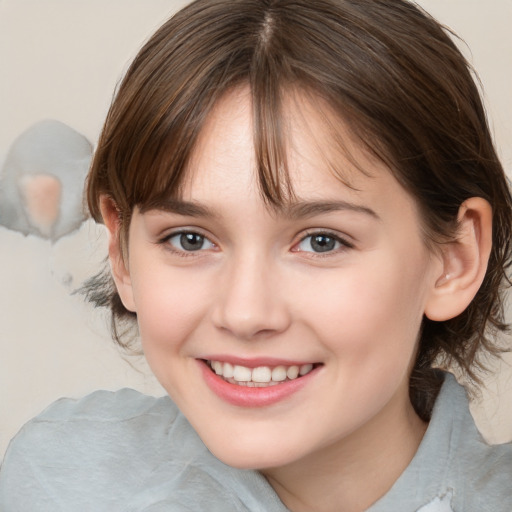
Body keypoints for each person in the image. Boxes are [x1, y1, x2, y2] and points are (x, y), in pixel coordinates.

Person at [1, 0, 511, 510]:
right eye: (190, 239)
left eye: (321, 241)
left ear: (453, 259)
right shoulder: (57, 482)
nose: (245, 313)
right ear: (122, 251)